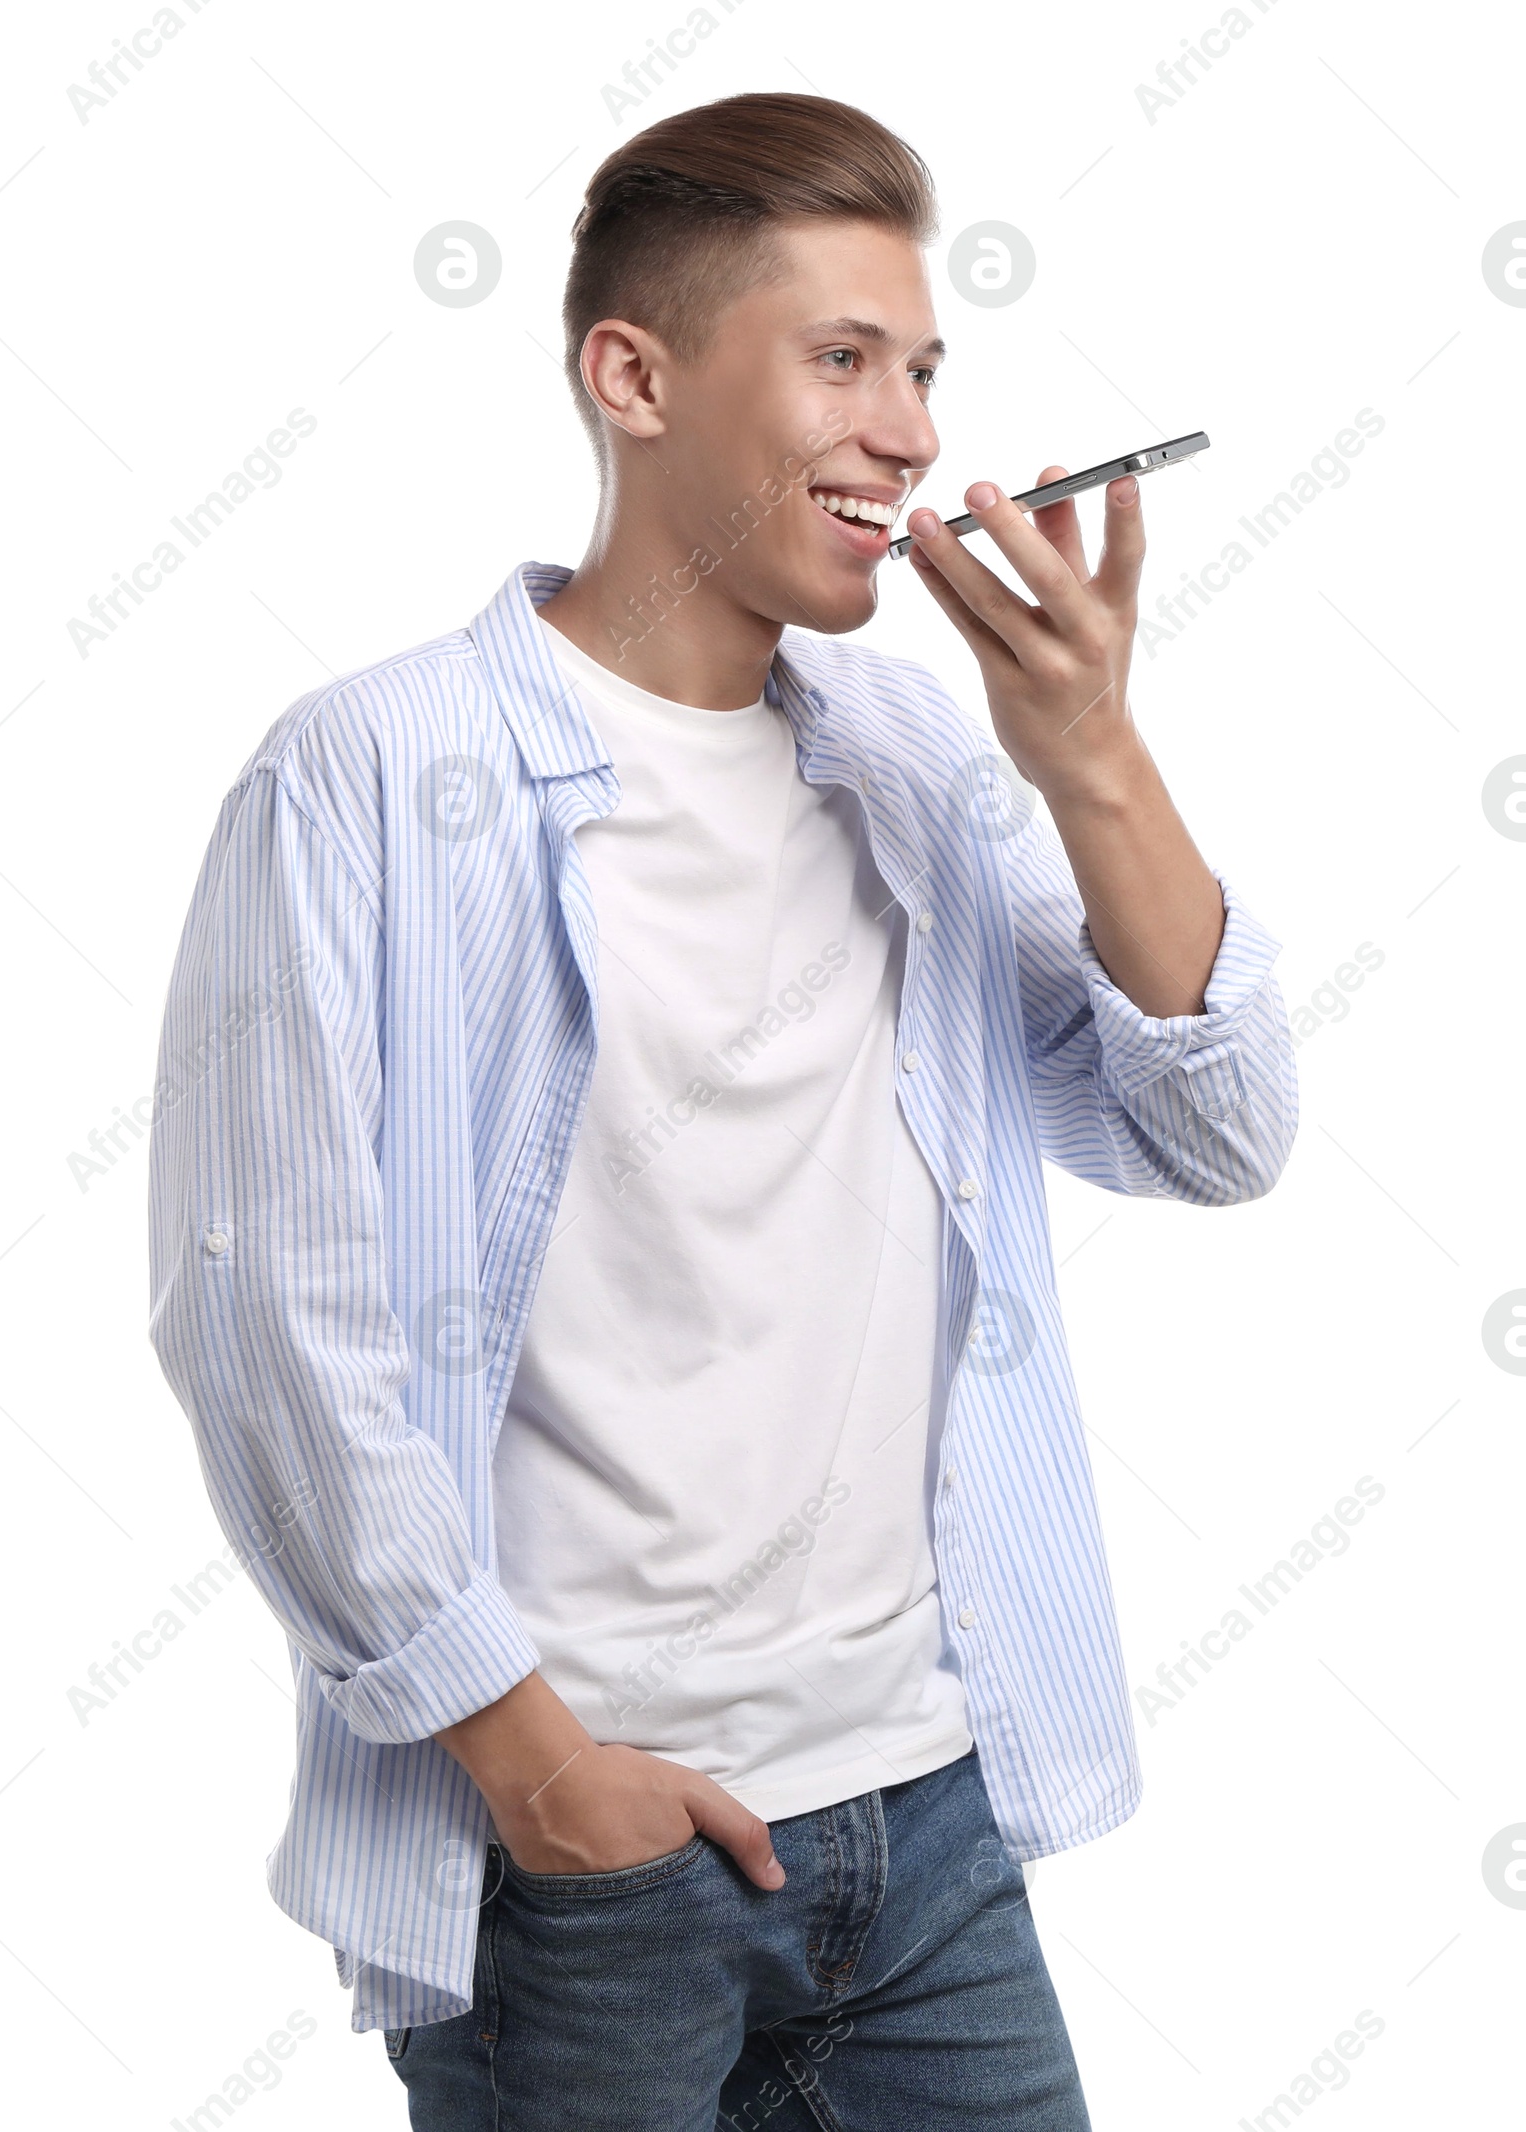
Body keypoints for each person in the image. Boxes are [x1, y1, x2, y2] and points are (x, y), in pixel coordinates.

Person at [147, 90, 1297, 2130]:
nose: (914, 431)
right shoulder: (369, 773)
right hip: (591, 1851)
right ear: (635, 375)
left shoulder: (913, 751)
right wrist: (530, 1765)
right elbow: (266, 1321)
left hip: (930, 1817)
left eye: (921, 368)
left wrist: (1091, 759)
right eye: (843, 358)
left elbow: (1208, 1132)